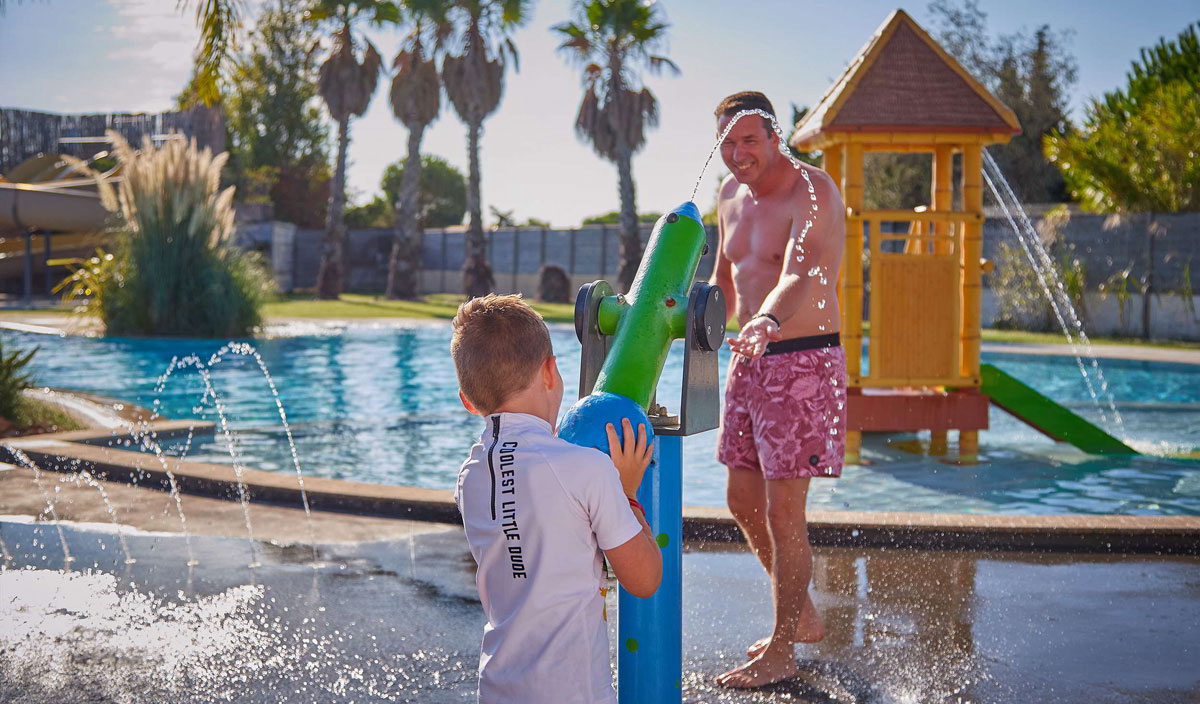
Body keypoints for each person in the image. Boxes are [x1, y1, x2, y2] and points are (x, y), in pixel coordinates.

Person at [451, 293, 662, 704]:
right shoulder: (587, 469)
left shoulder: (470, 477)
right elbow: (644, 578)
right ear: (550, 372)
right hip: (573, 691)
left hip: (496, 686)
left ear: (468, 401)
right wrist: (627, 493)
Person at [708, 92, 848, 688]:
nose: (738, 154)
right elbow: (725, 273)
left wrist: (765, 319)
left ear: (774, 137)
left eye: (749, 140)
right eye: (728, 142)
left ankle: (783, 648)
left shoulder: (813, 191)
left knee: (784, 512)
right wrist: (695, 320)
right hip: (749, 360)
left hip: (802, 361)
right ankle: (803, 613)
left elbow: (802, 271)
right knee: (742, 500)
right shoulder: (728, 196)